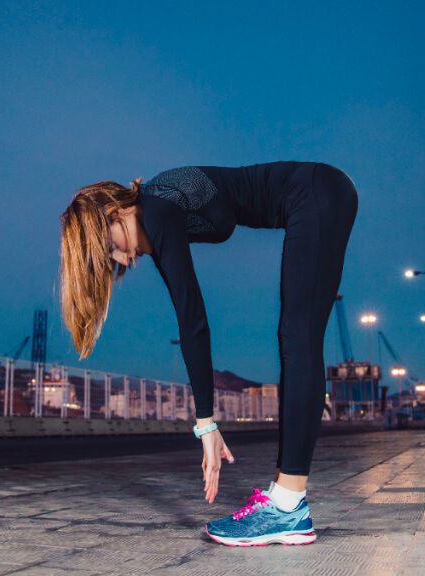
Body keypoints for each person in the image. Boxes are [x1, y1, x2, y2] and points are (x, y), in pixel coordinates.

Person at [58, 161, 358, 546]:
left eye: (111, 247)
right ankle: (284, 495)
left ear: (116, 213)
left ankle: (288, 507)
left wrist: (206, 426)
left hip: (317, 192)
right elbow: (189, 321)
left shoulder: (157, 211)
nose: (121, 260)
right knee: (294, 339)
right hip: (315, 197)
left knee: (298, 338)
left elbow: (193, 320)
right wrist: (206, 425)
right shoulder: (155, 211)